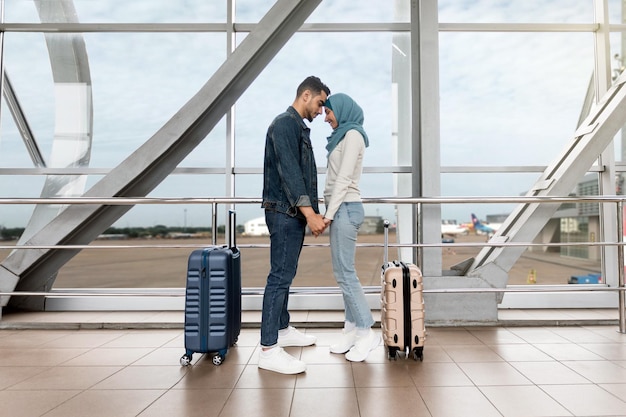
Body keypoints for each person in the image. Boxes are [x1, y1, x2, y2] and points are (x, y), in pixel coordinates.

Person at [258, 76, 331, 374]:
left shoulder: (296, 126)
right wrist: (311, 214)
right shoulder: (285, 124)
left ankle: (283, 328)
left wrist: (309, 212)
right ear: (305, 95)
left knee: (286, 273)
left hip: (291, 213)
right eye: (319, 103)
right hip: (285, 212)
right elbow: (290, 173)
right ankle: (268, 348)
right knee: (279, 276)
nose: (320, 110)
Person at [322, 93, 380, 362]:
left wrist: (328, 215)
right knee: (342, 272)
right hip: (340, 208)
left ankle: (367, 331)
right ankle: (351, 329)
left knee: (345, 273)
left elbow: (343, 179)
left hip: (345, 208)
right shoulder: (342, 135)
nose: (326, 117)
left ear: (342, 110)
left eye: (329, 112)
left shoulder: (353, 135)